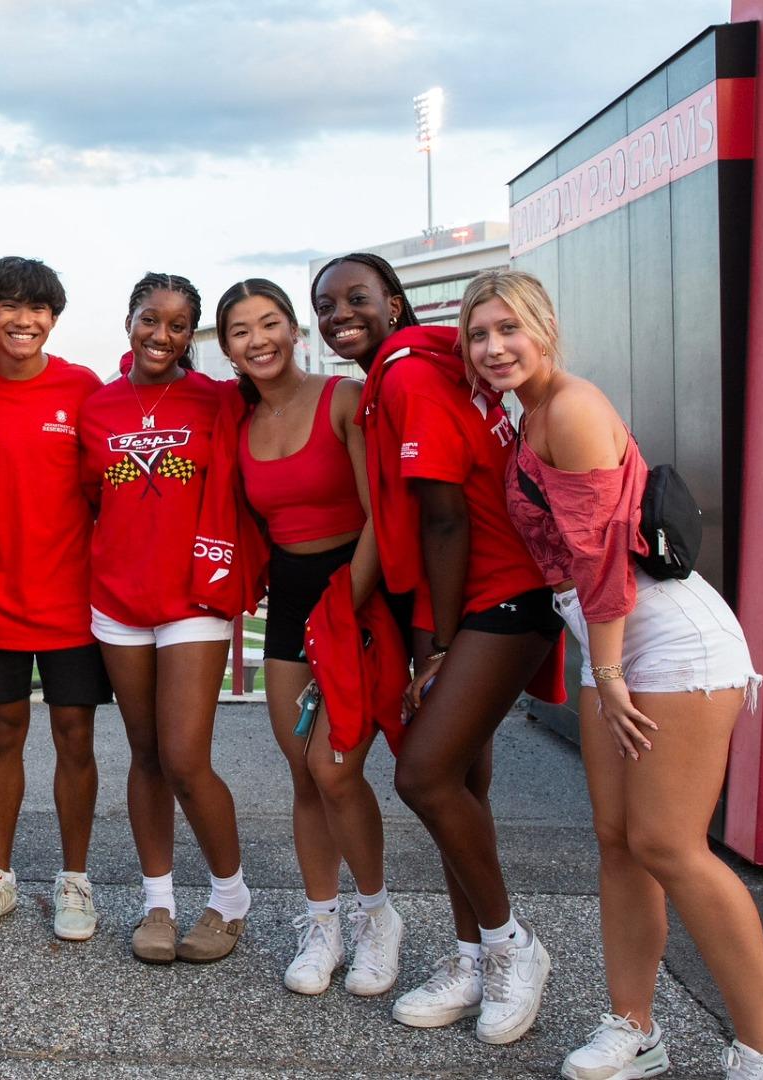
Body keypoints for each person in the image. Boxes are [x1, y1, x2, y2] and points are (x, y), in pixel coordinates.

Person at [462, 269, 763, 1080]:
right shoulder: (529, 416)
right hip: (616, 646)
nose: (493, 347)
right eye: (478, 334)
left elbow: (602, 559)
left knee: (669, 844)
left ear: (544, 327)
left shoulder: (570, 408)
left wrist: (606, 667)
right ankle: (635, 1028)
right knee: (619, 845)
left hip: (666, 643)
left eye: (508, 328)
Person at [313, 252, 562, 1045]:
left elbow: (446, 518)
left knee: (423, 775)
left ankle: (511, 947)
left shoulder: (411, 376)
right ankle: (468, 958)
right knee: (462, 786)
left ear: (394, 300)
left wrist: (438, 649)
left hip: (499, 597)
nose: (338, 312)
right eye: (326, 303)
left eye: (356, 297)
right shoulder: (416, 364)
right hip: (469, 597)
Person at [218, 278, 403, 996]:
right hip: (293, 606)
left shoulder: (344, 401)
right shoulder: (239, 423)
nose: (257, 340)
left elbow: (382, 521)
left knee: (335, 768)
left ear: (295, 330)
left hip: (354, 597)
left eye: (269, 323)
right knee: (302, 768)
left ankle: (377, 917)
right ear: (228, 348)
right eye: (240, 331)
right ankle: (320, 921)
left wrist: (344, 612)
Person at [78, 272, 259, 965]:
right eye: (150, 320)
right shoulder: (98, 408)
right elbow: (94, 495)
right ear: (129, 320)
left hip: (192, 599)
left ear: (193, 335)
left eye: (178, 325)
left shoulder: (217, 400)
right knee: (146, 753)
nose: (162, 335)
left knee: (185, 757)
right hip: (118, 601)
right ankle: (158, 901)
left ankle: (231, 897)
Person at [0, 257, 108, 942]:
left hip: (74, 600)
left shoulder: (82, 387)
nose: (26, 320)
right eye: (10, 305)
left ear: (54, 316)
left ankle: (75, 879)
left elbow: (109, 491)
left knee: (76, 736)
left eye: (40, 308)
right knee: (3, 733)